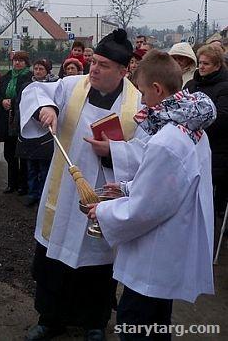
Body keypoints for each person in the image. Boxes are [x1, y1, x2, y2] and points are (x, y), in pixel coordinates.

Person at [20, 29, 143, 341]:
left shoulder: (137, 105)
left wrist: (113, 151)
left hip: (100, 201)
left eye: (103, 65)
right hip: (63, 197)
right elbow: (36, 91)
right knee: (52, 263)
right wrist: (46, 108)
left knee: (97, 267)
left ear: (123, 70)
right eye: (95, 62)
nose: (95, 69)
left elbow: (147, 152)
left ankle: (94, 323)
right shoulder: (72, 86)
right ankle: (50, 319)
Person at [89, 50, 216, 340]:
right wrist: (126, 187)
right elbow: (170, 185)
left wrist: (104, 211)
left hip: (153, 256)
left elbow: (147, 208)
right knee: (158, 322)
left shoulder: (167, 141)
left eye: (144, 93)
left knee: (135, 322)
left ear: (157, 89)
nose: (143, 100)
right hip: (169, 250)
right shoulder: (192, 127)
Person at [184, 44, 228, 218]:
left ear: (217, 65)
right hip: (190, 147)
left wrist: (194, 123)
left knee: (211, 200)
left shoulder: (224, 87)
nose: (201, 67)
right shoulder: (191, 84)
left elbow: (223, 118)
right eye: (200, 63)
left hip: (216, 150)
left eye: (206, 64)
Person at [16, 59, 59, 207]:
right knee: (31, 167)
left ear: (47, 71)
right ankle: (32, 193)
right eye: (36, 69)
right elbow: (20, 105)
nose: (38, 71)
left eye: (41, 69)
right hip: (29, 132)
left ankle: (43, 195)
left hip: (46, 134)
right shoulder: (26, 86)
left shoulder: (53, 86)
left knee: (44, 168)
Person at [0, 50, 32, 194]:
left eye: (20, 61)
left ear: (26, 63)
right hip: (6, 120)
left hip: (21, 120)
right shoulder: (7, 77)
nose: (17, 63)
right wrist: (2, 101)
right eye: (15, 60)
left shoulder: (29, 77)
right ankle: (11, 183)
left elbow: (28, 96)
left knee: (22, 154)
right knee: (9, 154)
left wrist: (13, 102)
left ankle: (23, 185)